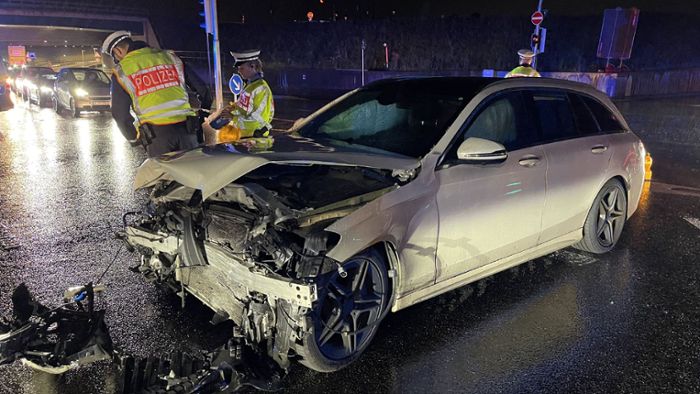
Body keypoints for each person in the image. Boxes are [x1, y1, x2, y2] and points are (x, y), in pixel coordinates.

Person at [101, 30, 201, 157]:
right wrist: (200, 118)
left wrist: (133, 138)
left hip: (157, 136)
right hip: (187, 130)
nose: (118, 60)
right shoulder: (171, 57)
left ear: (118, 51)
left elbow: (119, 113)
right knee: (192, 173)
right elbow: (202, 91)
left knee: (163, 175)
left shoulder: (121, 71)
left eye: (116, 58)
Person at [206, 50, 275, 144]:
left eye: (241, 68)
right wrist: (232, 108)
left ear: (253, 66)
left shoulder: (261, 88)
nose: (238, 71)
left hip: (255, 139)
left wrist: (233, 117)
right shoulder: (250, 85)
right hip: (244, 138)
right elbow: (245, 108)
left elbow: (258, 120)